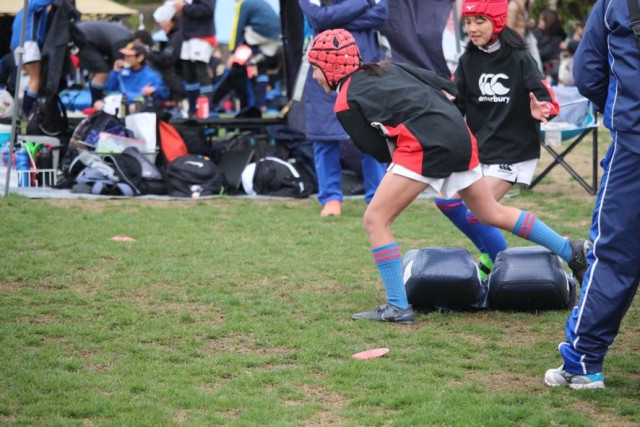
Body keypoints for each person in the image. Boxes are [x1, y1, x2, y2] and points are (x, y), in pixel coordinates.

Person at [306, 28, 590, 323]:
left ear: (330, 66)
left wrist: (411, 154)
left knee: (375, 219)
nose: (314, 76)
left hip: (426, 144)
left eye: (315, 68)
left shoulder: (345, 101)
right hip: (460, 135)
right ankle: (571, 250)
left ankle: (397, 307)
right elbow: (444, 85)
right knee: (489, 212)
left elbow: (375, 150)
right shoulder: (386, 66)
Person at [544, 0, 640, 390]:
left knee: (615, 255)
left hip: (634, 145)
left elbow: (587, 73)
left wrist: (619, 109)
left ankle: (583, 362)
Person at [434, 0, 561, 279]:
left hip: (513, 151)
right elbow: (456, 103)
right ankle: (494, 257)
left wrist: (542, 109)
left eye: (479, 21)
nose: (472, 28)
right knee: (446, 202)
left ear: (498, 21)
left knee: (478, 213)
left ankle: (569, 250)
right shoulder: (467, 61)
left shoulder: (520, 58)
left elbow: (547, 99)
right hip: (480, 151)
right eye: (468, 22)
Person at [298, 0, 389, 217]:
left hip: (365, 65)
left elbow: (381, 15)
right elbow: (317, 18)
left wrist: (334, 20)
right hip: (323, 69)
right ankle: (330, 198)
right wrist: (362, 2)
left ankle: (378, 197)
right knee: (324, 136)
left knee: (373, 131)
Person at [228, 0, 281, 110]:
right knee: (262, 69)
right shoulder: (259, 2)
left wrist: (232, 52)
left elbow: (238, 27)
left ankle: (248, 103)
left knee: (243, 49)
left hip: (259, 34)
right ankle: (261, 104)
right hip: (275, 36)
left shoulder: (244, 4)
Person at [10, 0, 54, 118]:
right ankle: (28, 113)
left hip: (16, 46)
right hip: (29, 43)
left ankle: (24, 114)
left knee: (29, 80)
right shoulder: (32, 5)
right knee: (36, 80)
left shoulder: (21, 11)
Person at [173, 0, 217, 117]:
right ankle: (192, 109)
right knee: (189, 73)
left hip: (201, 35)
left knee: (201, 71)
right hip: (188, 37)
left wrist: (184, 7)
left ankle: (208, 108)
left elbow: (207, 10)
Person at [99, 41, 169, 114]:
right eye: (125, 55)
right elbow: (109, 88)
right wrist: (115, 72)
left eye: (129, 56)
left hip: (138, 105)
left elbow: (164, 93)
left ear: (140, 58)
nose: (125, 58)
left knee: (134, 107)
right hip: (121, 102)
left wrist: (154, 90)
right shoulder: (122, 71)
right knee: (98, 104)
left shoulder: (151, 75)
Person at [76, 20, 134, 105]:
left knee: (100, 69)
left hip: (85, 35)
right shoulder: (123, 42)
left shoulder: (124, 36)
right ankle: (96, 104)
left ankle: (96, 101)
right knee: (102, 71)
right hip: (82, 37)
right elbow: (120, 65)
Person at [148, 5, 186, 103]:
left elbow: (167, 60)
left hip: (181, 80)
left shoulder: (177, 37)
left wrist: (148, 55)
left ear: (171, 21)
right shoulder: (176, 35)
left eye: (163, 22)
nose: (161, 25)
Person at [507, 0, 542, 72]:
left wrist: (527, 23)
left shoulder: (525, 4)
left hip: (523, 37)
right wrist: (511, 41)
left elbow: (521, 22)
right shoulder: (514, 6)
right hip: (515, 40)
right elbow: (509, 26)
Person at [533, 9, 567, 84]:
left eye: (542, 20)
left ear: (548, 21)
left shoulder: (556, 37)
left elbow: (544, 53)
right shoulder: (538, 33)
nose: (539, 22)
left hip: (549, 72)